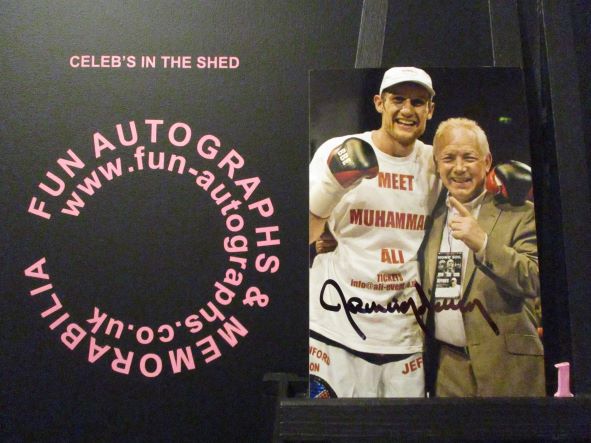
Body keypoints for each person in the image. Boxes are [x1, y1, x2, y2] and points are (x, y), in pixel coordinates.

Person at [308, 67, 441, 398]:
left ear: (430, 110)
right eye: (398, 99)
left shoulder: (436, 164)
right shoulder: (338, 149)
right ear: (380, 103)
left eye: (417, 102)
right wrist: (330, 188)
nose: (407, 110)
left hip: (404, 336)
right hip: (334, 328)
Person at [420, 117, 545, 397]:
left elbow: (536, 279)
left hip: (509, 368)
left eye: (469, 157)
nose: (459, 168)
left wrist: (484, 244)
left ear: (487, 162)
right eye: (449, 158)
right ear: (437, 164)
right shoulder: (433, 219)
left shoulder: (520, 213)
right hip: (448, 370)